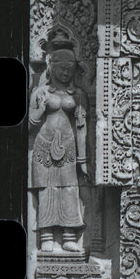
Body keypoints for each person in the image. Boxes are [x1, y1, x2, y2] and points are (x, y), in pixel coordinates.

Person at [29, 42, 88, 253]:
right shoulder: (40, 92)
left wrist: (83, 161)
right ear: (51, 67)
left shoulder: (79, 95)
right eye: (61, 68)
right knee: (47, 189)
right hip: (44, 146)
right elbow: (29, 124)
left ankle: (69, 236)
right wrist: (41, 109)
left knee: (70, 189)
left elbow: (82, 127)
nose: (65, 73)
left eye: (69, 70)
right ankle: (46, 236)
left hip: (69, 148)